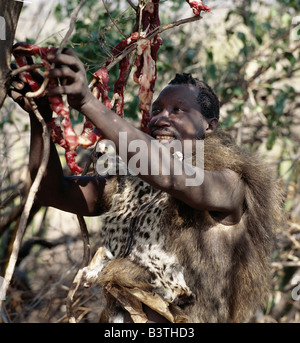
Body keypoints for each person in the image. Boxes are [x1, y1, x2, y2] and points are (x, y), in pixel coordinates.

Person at [9, 49, 280, 323]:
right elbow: (51, 192)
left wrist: (88, 103)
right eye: (157, 110)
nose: (161, 118)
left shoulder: (231, 183)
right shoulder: (132, 184)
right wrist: (40, 117)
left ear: (209, 127)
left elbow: (170, 177)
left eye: (178, 111)